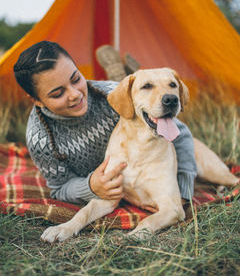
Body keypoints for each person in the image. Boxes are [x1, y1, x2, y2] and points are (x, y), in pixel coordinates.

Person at [13, 41, 197, 205]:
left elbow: (178, 133)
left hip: (141, 164)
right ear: (36, 100)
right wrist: (90, 187)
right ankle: (121, 70)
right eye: (57, 93)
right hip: (111, 183)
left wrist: (184, 186)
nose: (75, 94)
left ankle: (121, 72)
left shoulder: (112, 95)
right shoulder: (40, 138)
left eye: (76, 79)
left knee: (122, 85)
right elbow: (60, 187)